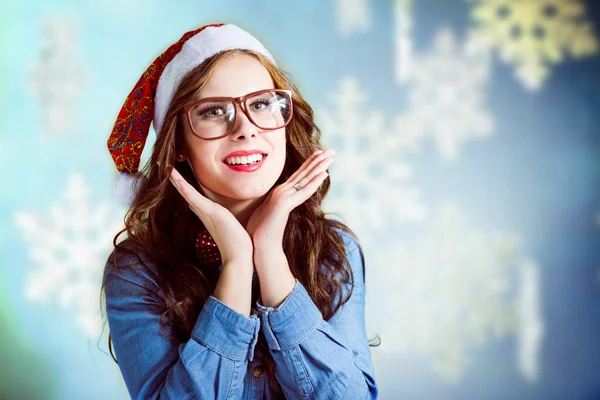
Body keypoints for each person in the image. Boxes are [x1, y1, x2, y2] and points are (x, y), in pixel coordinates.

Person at [102, 23, 378, 399]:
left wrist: (268, 256)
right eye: (214, 111)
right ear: (178, 142)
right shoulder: (137, 271)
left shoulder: (333, 249)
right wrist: (236, 264)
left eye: (262, 104)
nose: (246, 129)